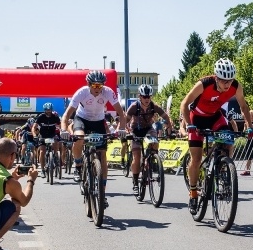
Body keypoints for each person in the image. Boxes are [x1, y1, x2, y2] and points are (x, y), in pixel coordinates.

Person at [179, 58, 253, 213]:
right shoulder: (204, 84)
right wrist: (189, 125)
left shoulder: (236, 86)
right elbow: (184, 103)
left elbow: (244, 106)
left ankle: (223, 168)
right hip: (197, 118)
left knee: (228, 139)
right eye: (224, 81)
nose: (227, 85)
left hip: (215, 117)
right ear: (216, 78)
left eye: (230, 80)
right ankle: (193, 193)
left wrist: (249, 126)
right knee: (197, 158)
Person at [63, 71, 126, 208]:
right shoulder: (81, 92)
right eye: (94, 86)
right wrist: (63, 130)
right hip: (82, 119)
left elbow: (121, 113)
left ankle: (102, 193)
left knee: (102, 155)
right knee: (79, 138)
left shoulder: (108, 92)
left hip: (98, 121)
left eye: (100, 86)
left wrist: (121, 128)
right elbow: (66, 115)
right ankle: (78, 165)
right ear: (89, 84)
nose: (97, 89)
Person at [125, 84, 172, 195]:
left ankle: (151, 158)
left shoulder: (154, 106)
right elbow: (125, 121)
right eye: (144, 96)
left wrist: (169, 128)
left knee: (155, 141)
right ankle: (136, 182)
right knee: (136, 157)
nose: (147, 99)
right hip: (135, 130)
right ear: (139, 96)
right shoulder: (134, 106)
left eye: (148, 96)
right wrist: (127, 131)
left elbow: (165, 117)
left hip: (148, 129)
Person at [34, 102, 62, 172]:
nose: (48, 111)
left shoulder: (55, 117)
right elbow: (34, 127)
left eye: (50, 110)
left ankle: (55, 156)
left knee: (56, 141)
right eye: (47, 110)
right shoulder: (41, 117)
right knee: (42, 152)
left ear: (52, 110)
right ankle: (43, 169)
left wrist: (62, 132)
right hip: (43, 135)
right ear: (44, 110)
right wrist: (35, 135)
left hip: (52, 135)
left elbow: (60, 126)